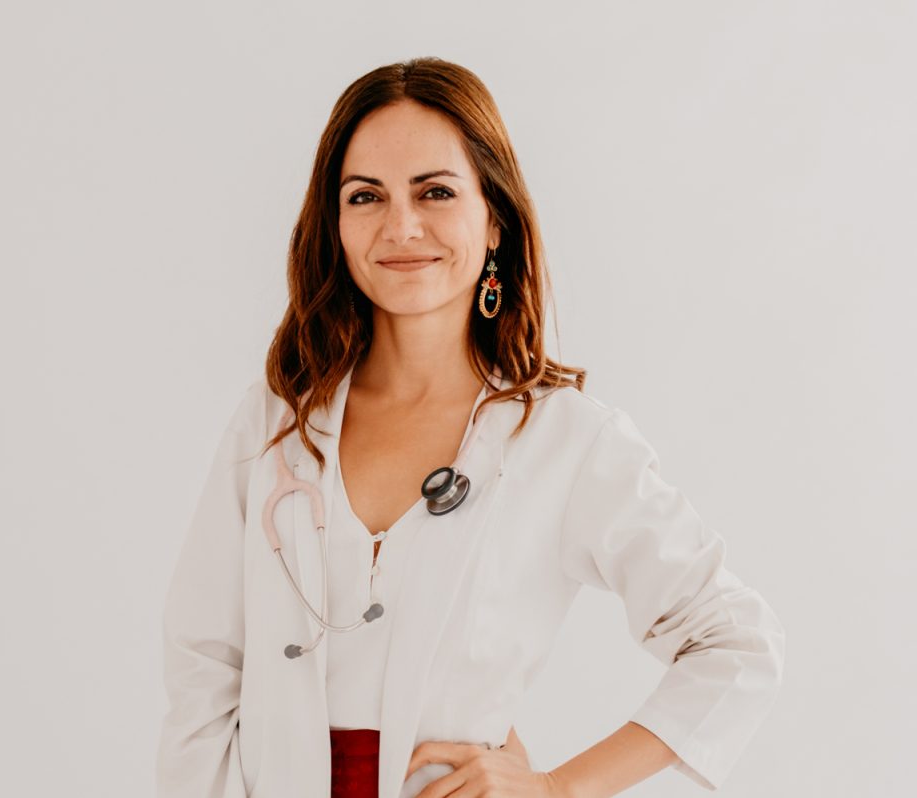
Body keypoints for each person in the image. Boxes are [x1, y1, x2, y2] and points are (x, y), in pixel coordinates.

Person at [156, 57, 786, 798]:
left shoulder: (564, 441)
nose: (401, 226)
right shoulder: (276, 420)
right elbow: (204, 672)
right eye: (366, 196)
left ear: (494, 221)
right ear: (335, 225)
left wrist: (556, 789)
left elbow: (737, 646)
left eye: (436, 191)